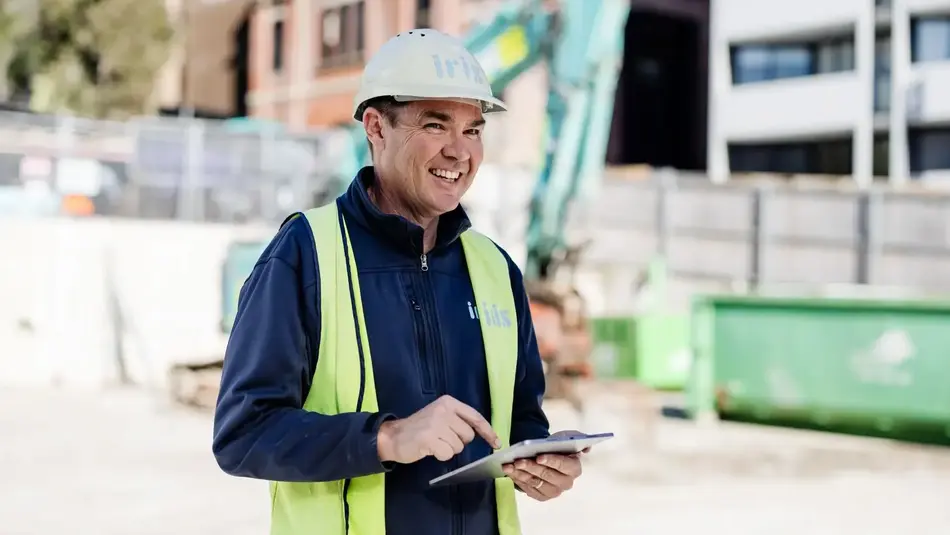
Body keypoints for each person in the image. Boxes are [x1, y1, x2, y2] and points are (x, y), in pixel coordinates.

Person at [212, 28, 586, 535]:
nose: (460, 152)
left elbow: (521, 425)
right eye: (436, 125)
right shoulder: (306, 254)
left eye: (473, 130)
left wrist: (539, 467)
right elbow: (243, 433)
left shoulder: (496, 269)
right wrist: (387, 438)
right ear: (375, 127)